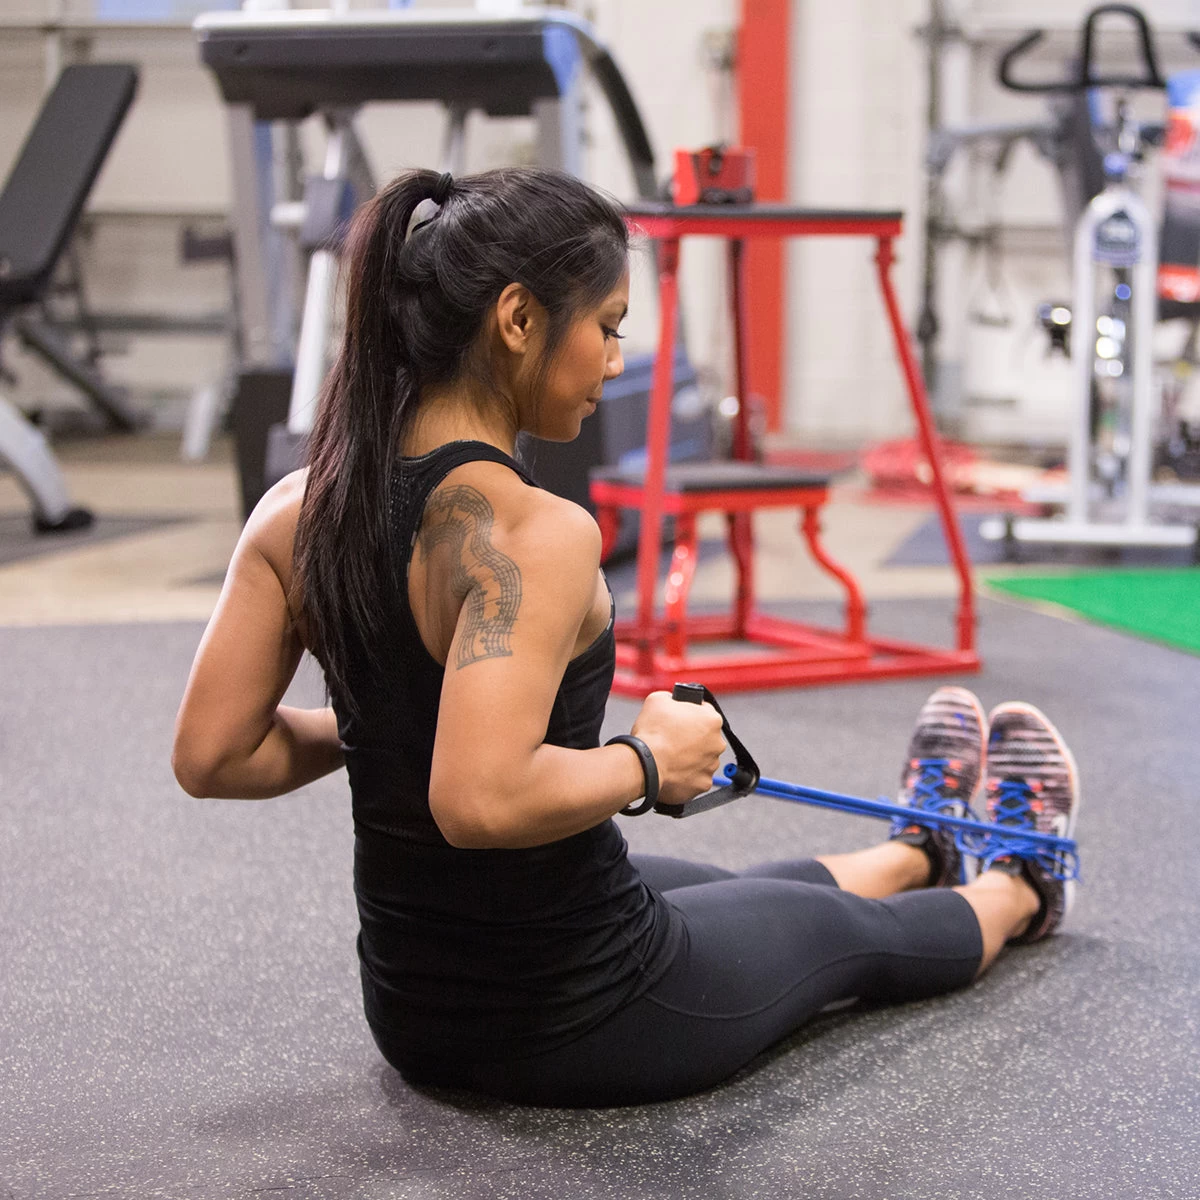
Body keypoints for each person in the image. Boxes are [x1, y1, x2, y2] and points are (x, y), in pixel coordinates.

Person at [172, 167, 1081, 1107]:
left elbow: (214, 754)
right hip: (579, 1014)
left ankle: (922, 852)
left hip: (413, 1010)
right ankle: (1024, 881)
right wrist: (647, 761)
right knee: (840, 933)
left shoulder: (296, 512)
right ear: (518, 319)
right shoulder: (534, 535)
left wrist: (386, 726)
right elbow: (478, 800)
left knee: (719, 887)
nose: (614, 361)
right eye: (606, 327)